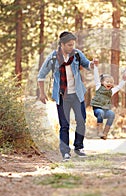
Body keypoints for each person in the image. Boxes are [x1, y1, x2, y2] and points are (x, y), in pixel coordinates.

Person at [37, 31, 98, 161]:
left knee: (81, 121)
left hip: (77, 94)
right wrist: (42, 93)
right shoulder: (53, 58)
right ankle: (65, 152)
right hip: (62, 96)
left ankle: (79, 147)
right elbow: (41, 76)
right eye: (69, 45)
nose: (72, 47)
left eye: (73, 44)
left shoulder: (76, 54)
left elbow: (88, 65)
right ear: (62, 44)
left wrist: (93, 64)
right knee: (64, 125)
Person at [90, 65, 126, 140]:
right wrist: (96, 66)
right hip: (97, 110)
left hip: (106, 110)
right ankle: (99, 131)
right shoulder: (98, 87)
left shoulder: (111, 91)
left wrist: (124, 80)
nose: (109, 83)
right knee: (100, 112)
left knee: (112, 114)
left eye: (111, 82)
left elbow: (119, 87)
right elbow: (96, 77)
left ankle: (105, 133)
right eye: (107, 82)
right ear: (102, 82)